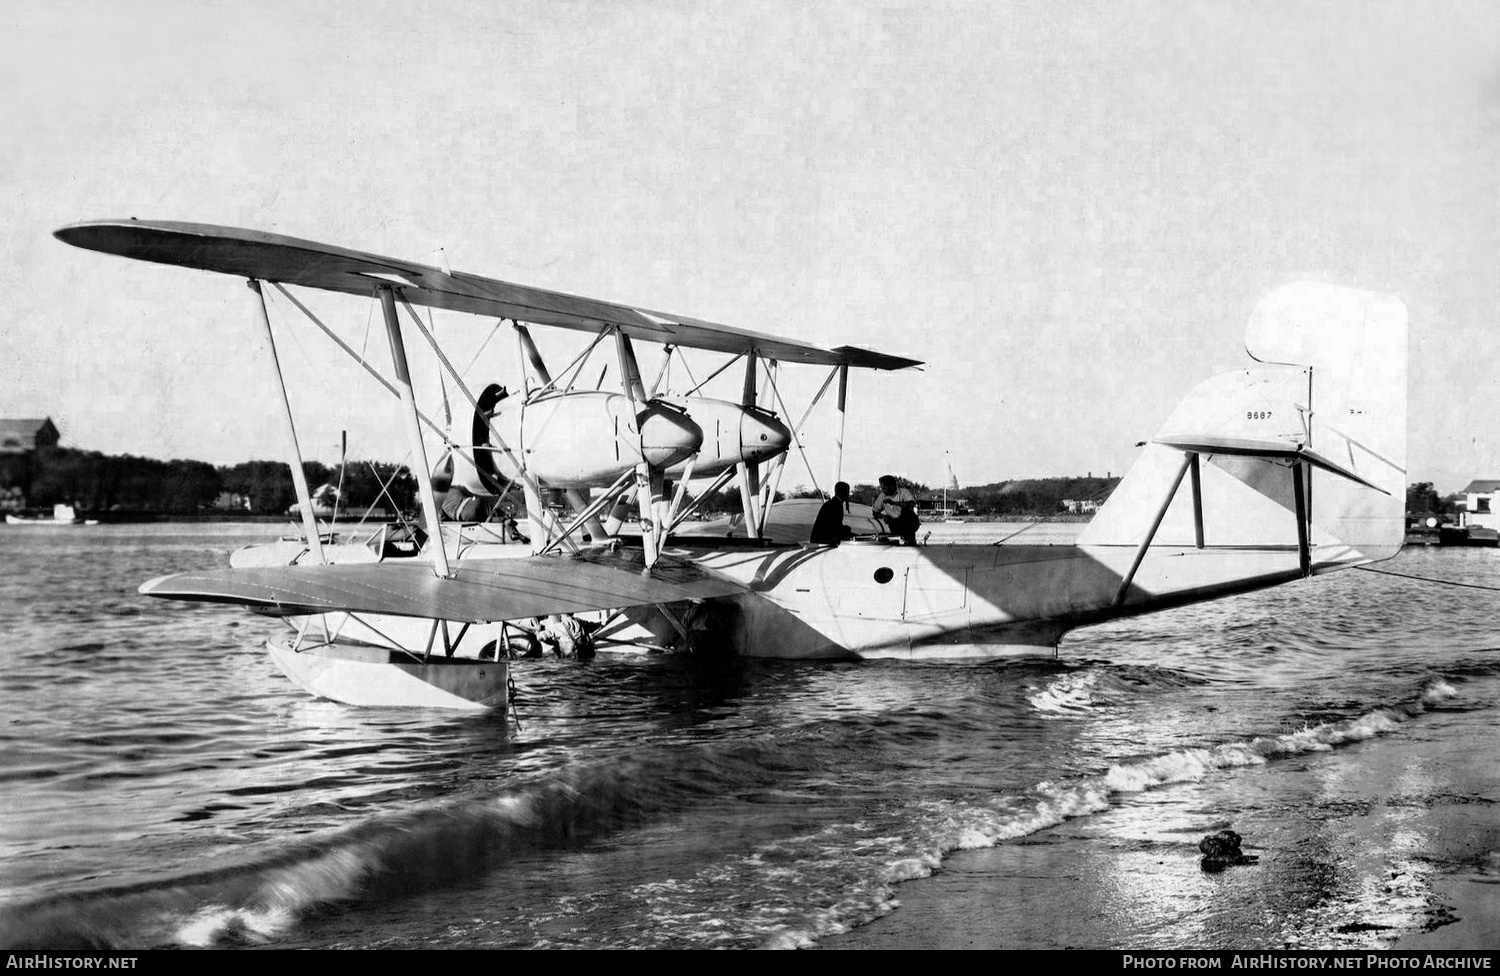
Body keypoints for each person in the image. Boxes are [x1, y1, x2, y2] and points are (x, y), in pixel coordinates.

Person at [873, 474, 920, 545]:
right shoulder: (882, 496)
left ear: (892, 486)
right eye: (882, 488)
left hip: (909, 522)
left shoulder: (904, 492)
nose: (883, 490)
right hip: (894, 523)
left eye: (884, 488)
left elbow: (912, 504)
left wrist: (894, 503)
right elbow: (875, 512)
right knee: (895, 523)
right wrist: (883, 516)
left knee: (907, 511)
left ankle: (910, 539)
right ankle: (907, 539)